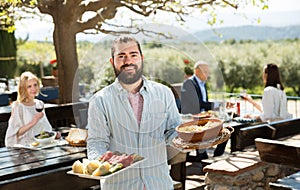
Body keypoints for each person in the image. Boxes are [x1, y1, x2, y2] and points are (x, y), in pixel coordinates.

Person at [86, 35, 182, 190]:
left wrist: (186, 139)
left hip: (158, 183)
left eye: (133, 55)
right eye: (121, 56)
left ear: (141, 58)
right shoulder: (99, 100)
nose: (128, 61)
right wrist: (100, 162)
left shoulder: (164, 93)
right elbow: (96, 142)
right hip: (120, 185)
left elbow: (172, 130)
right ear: (113, 61)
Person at [180, 61, 227, 159]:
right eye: (205, 71)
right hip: (191, 119)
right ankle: (202, 158)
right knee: (214, 131)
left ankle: (216, 157)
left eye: (208, 71)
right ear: (197, 71)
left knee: (225, 131)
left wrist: (217, 105)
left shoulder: (202, 83)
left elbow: (204, 102)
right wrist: (218, 105)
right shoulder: (189, 83)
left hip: (202, 117)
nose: (207, 74)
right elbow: (198, 104)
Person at [5, 71, 53, 147]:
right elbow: (15, 133)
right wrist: (33, 122)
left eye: (35, 85)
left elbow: (44, 127)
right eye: (29, 86)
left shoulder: (39, 104)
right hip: (26, 147)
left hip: (42, 145)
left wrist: (53, 135)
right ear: (23, 89)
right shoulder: (18, 106)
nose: (33, 89)